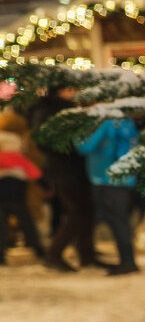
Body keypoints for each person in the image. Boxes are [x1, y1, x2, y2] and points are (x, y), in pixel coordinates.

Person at [27, 81, 99, 272]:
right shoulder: (55, 110)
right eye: (70, 90)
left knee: (85, 210)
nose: (73, 93)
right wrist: (69, 148)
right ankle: (55, 254)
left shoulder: (52, 109)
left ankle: (87, 254)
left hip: (68, 168)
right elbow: (44, 141)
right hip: (65, 169)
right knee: (78, 211)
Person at [77, 115, 141, 275]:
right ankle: (127, 260)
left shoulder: (107, 125)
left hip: (107, 179)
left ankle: (127, 262)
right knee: (120, 220)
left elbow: (85, 147)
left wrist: (79, 132)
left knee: (117, 221)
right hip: (124, 179)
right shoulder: (128, 123)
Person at [0, 130, 46, 264]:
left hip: (1, 200)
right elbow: (36, 175)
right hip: (18, 199)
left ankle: (1, 255)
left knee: (1, 228)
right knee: (28, 224)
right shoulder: (21, 160)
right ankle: (37, 248)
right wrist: (47, 188)